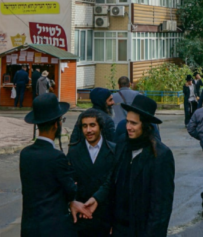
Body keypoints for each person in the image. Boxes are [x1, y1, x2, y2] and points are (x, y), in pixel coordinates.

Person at [84, 95, 176, 236]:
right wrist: (97, 198)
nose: (128, 127)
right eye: (127, 122)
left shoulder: (161, 156)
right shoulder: (122, 144)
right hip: (119, 229)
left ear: (145, 125)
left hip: (142, 230)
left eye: (134, 123)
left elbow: (160, 209)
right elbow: (112, 179)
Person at [19, 93, 88, 236]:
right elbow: (71, 190)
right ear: (57, 124)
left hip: (29, 227)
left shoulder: (25, 154)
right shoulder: (57, 157)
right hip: (53, 228)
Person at [67, 109, 116, 237]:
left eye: (92, 125)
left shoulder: (113, 151)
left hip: (106, 219)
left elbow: (115, 186)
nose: (88, 130)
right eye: (85, 126)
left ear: (100, 127)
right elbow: (68, 183)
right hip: (81, 219)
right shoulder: (74, 152)